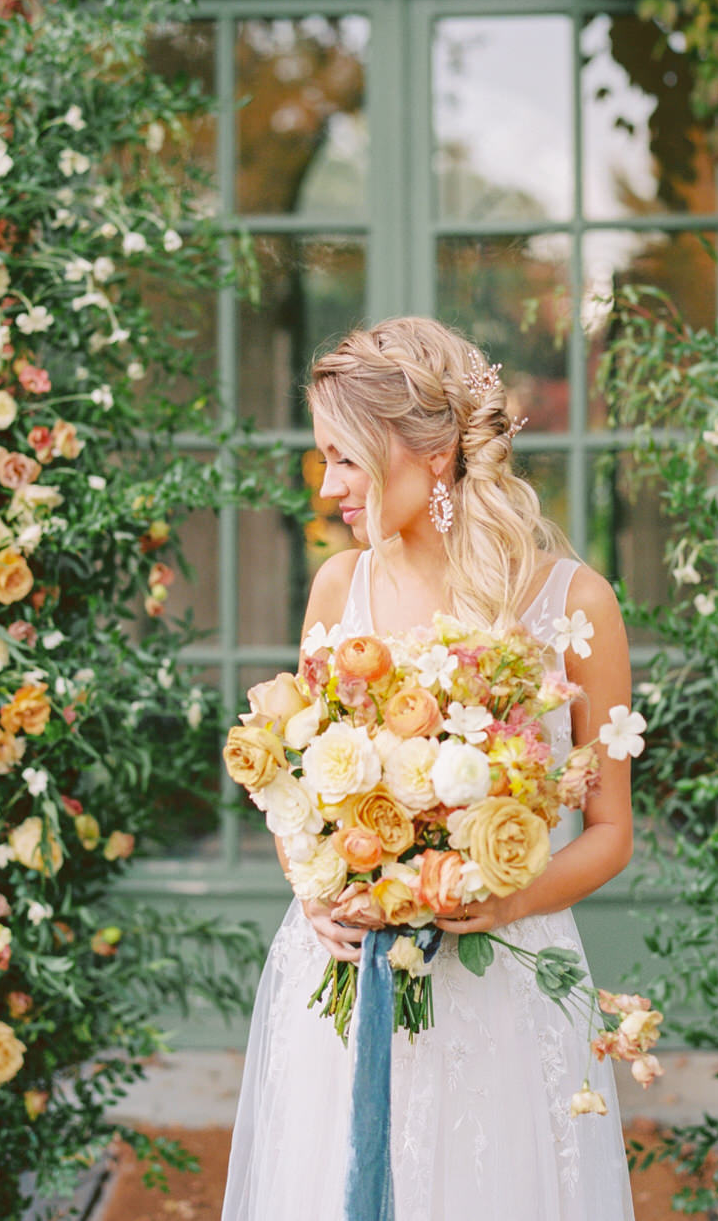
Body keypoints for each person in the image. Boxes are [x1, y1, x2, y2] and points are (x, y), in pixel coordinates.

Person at [221, 317, 637, 1221]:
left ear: (433, 451)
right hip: (346, 974)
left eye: (348, 460)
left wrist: (509, 899)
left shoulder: (574, 603)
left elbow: (611, 833)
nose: (328, 486)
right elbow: (297, 790)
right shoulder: (340, 586)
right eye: (323, 458)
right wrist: (313, 886)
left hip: (502, 978)